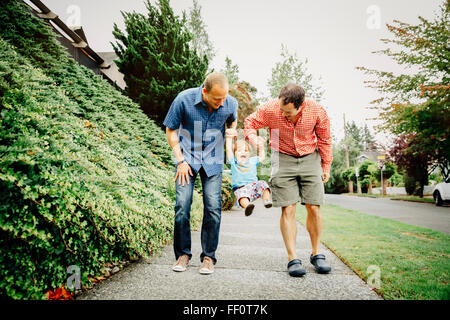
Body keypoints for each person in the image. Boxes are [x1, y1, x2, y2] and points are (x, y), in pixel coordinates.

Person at [244, 83, 333, 277]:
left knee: (314, 207)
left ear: (300, 106)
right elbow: (250, 122)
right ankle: (293, 258)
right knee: (288, 207)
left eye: (288, 112)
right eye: (281, 110)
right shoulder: (270, 109)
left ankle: (317, 254)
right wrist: (253, 138)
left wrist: (325, 165)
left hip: (310, 157)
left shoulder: (316, 111)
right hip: (282, 156)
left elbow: (325, 140)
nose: (283, 114)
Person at [163, 72, 238, 275]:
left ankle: (208, 257)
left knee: (213, 208)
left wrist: (231, 131)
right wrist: (180, 160)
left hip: (213, 161)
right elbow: (171, 130)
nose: (222, 103)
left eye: (224, 98)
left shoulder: (230, 103)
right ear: (204, 91)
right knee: (182, 207)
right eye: (217, 99)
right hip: (186, 159)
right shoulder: (183, 99)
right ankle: (183, 254)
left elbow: (233, 121)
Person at [225, 135, 272, 216]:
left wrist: (261, 147)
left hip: (253, 186)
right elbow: (229, 149)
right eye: (239, 151)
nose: (243, 152)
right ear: (234, 153)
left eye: (246, 150)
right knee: (242, 197)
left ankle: (266, 200)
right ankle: (248, 207)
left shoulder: (252, 160)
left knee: (263, 183)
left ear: (249, 153)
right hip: (241, 187)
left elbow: (262, 156)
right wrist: (229, 137)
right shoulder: (234, 162)